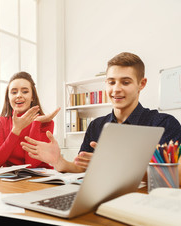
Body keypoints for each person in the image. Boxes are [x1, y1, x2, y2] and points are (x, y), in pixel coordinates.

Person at [21, 52, 181, 177]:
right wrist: (59, 161)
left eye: (125, 82)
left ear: (142, 84)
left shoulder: (164, 124)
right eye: (111, 82)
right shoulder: (96, 126)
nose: (116, 89)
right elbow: (82, 167)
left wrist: (116, 167)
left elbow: (175, 175)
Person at [0, 71, 60, 168]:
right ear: (8, 97)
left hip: (39, 179)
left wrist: (36, 123)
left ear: (32, 97)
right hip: (12, 180)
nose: (19, 95)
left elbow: (32, 164)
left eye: (25, 91)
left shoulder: (45, 122)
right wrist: (16, 130)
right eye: (14, 92)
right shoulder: (0, 122)